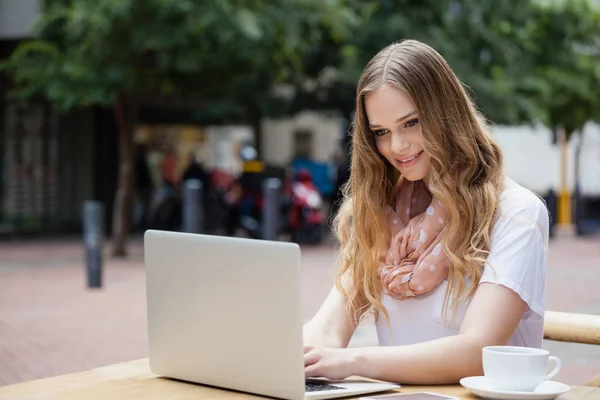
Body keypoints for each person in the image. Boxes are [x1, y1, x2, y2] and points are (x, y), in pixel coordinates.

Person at [302, 39, 549, 385]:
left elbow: (478, 352)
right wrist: (295, 356)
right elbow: (329, 326)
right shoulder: (378, 211)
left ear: (446, 114)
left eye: (411, 123)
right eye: (381, 132)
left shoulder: (515, 212)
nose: (397, 146)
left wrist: (351, 361)